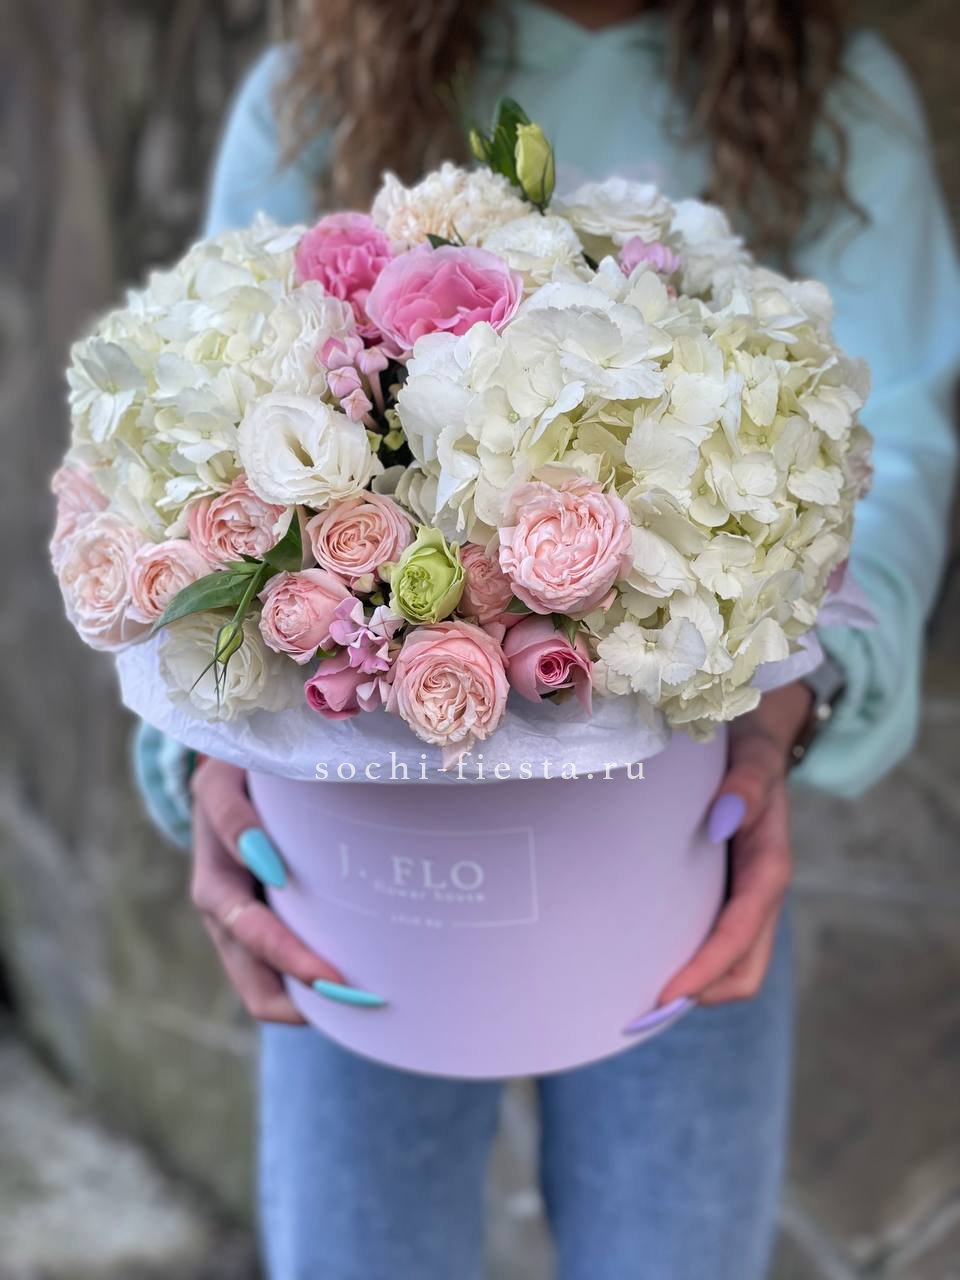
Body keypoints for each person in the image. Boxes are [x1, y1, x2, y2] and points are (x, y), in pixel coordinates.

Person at [136, 2, 960, 1276]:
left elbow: (892, 439)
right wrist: (208, 753)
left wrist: (787, 707)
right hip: (353, 830)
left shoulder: (834, 98)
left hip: (680, 812)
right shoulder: (315, 88)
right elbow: (201, 449)